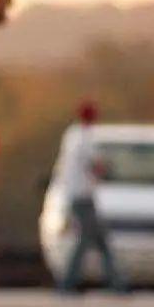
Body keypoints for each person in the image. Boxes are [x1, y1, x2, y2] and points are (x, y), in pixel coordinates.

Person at [58, 101, 129, 295]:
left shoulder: (72, 135)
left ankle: (117, 284)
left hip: (76, 194)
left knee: (100, 241)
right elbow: (95, 164)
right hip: (83, 197)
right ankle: (67, 283)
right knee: (87, 240)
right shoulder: (85, 137)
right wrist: (110, 172)